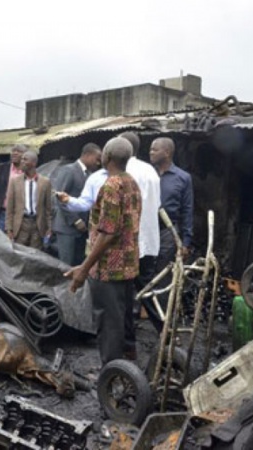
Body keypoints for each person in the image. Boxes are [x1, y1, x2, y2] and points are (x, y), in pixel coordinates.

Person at [58, 132, 160, 360]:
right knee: (121, 318)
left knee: (109, 324)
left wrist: (83, 269)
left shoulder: (112, 186)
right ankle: (123, 366)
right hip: (127, 265)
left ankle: (110, 375)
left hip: (108, 269)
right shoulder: (131, 182)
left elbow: (107, 233)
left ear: (108, 156)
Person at [149, 137, 194, 330]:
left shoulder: (183, 178)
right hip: (146, 230)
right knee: (144, 271)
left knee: (164, 273)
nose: (150, 152)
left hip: (168, 232)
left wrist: (186, 241)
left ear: (167, 152)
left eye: (154, 149)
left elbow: (187, 210)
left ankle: (162, 320)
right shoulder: (147, 174)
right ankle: (144, 310)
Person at [52, 143, 102, 266]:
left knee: (79, 263)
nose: (98, 163)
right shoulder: (69, 170)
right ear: (87, 155)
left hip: (82, 230)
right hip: (67, 228)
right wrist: (76, 221)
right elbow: (59, 198)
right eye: (97, 159)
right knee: (66, 265)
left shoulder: (90, 175)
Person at [5, 151, 52, 249]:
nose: (21, 162)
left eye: (25, 159)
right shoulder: (15, 181)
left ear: (34, 163)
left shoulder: (45, 182)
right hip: (21, 225)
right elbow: (10, 208)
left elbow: (48, 208)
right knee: (19, 255)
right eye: (21, 159)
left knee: (36, 255)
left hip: (37, 225)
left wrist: (49, 227)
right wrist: (9, 229)